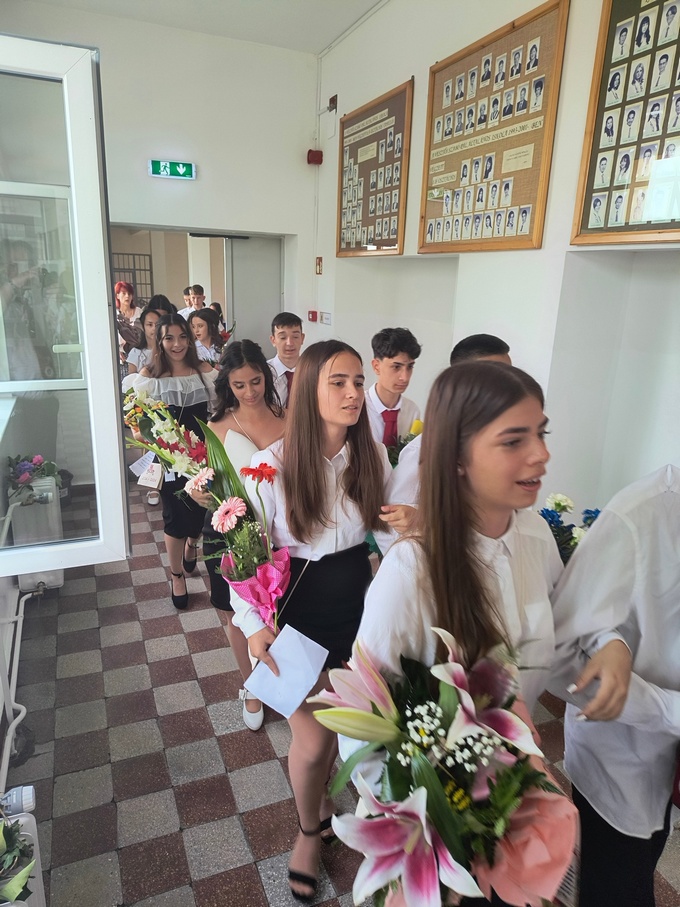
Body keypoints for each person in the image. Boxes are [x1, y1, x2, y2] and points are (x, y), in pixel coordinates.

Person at [356, 364, 629, 907]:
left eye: (541, 434)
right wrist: (432, 835)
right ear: (457, 457)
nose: (541, 455)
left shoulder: (534, 535)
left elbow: (569, 623)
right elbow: (366, 727)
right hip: (441, 823)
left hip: (517, 793)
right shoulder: (412, 572)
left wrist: (612, 645)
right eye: (513, 440)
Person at [232, 340, 392, 901]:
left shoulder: (372, 455)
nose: (353, 393)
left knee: (346, 717)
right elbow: (241, 554)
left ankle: (322, 799)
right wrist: (252, 624)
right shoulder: (271, 467)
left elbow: (386, 532)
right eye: (338, 382)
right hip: (296, 606)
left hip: (358, 602)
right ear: (308, 392)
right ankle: (306, 832)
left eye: (357, 382)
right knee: (314, 736)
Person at [550, 465, 680, 907]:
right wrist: (667, 710)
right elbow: (563, 653)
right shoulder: (641, 514)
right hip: (620, 764)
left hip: (666, 771)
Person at [188, 340, 285, 731]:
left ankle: (282, 676)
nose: (249, 392)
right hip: (230, 532)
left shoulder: (288, 417)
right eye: (239, 385)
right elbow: (204, 483)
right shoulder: (217, 426)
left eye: (256, 381)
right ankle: (252, 684)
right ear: (227, 384)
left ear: (266, 376)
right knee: (237, 615)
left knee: (280, 611)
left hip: (281, 532)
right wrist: (198, 492)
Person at [123, 314, 216, 609]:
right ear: (159, 341)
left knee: (201, 513)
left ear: (190, 338)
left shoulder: (204, 371)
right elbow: (135, 418)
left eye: (182, 337)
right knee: (174, 518)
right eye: (169, 338)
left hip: (202, 458)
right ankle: (176, 575)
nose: (177, 344)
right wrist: (145, 436)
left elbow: (220, 410)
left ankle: (192, 543)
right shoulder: (149, 376)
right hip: (168, 459)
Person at [388, 335, 511, 509]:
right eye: (495, 377)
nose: (509, 385)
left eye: (510, 376)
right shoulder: (425, 450)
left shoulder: (508, 441)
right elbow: (395, 516)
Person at [365, 327, 421, 449]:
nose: (405, 377)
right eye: (396, 367)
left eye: (410, 367)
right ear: (376, 366)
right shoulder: (359, 407)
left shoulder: (412, 411)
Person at [268, 311, 305, 407]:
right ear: (273, 340)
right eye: (283, 337)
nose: (289, 343)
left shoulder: (312, 370)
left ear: (302, 338)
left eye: (295, 337)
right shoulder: (264, 372)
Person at [126, 305, 159, 374]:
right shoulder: (136, 352)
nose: (154, 328)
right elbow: (131, 378)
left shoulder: (166, 350)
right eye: (150, 325)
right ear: (142, 326)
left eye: (157, 325)